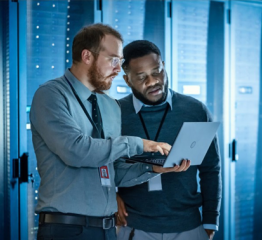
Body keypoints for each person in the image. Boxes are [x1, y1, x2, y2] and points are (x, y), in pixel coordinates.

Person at [30, 24, 190, 240]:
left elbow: (113, 170)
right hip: (66, 229)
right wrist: (141, 144)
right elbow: (76, 151)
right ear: (87, 56)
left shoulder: (111, 106)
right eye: (113, 60)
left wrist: (155, 168)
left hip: (106, 229)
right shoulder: (51, 96)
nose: (118, 69)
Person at [116, 40, 222, 240]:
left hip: (189, 227)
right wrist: (111, 198)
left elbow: (211, 169)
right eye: (141, 77)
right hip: (133, 227)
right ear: (127, 80)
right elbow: (100, 167)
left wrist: (210, 221)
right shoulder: (115, 113)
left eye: (157, 71)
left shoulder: (194, 110)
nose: (153, 81)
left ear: (163, 65)